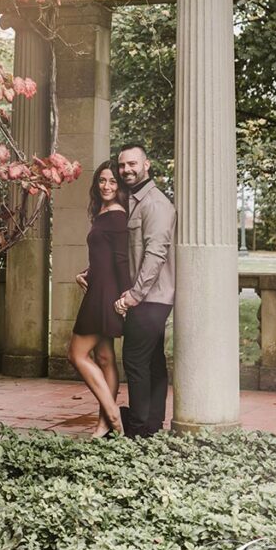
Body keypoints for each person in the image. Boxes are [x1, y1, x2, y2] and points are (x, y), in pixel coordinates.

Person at [114, 143, 176, 438]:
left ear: (147, 165)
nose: (126, 169)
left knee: (135, 361)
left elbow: (155, 254)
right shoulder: (134, 201)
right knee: (151, 361)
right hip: (149, 297)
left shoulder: (155, 203)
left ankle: (138, 431)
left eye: (132, 164)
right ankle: (152, 425)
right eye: (122, 165)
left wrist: (134, 295)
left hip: (151, 298)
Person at [68, 160, 130, 437]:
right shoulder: (104, 212)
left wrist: (127, 296)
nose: (106, 186)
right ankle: (103, 424)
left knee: (76, 354)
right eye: (102, 181)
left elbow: (121, 261)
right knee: (104, 358)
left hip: (106, 294)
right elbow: (102, 258)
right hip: (99, 287)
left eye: (113, 181)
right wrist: (87, 272)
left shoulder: (117, 217)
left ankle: (114, 417)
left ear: (121, 186)